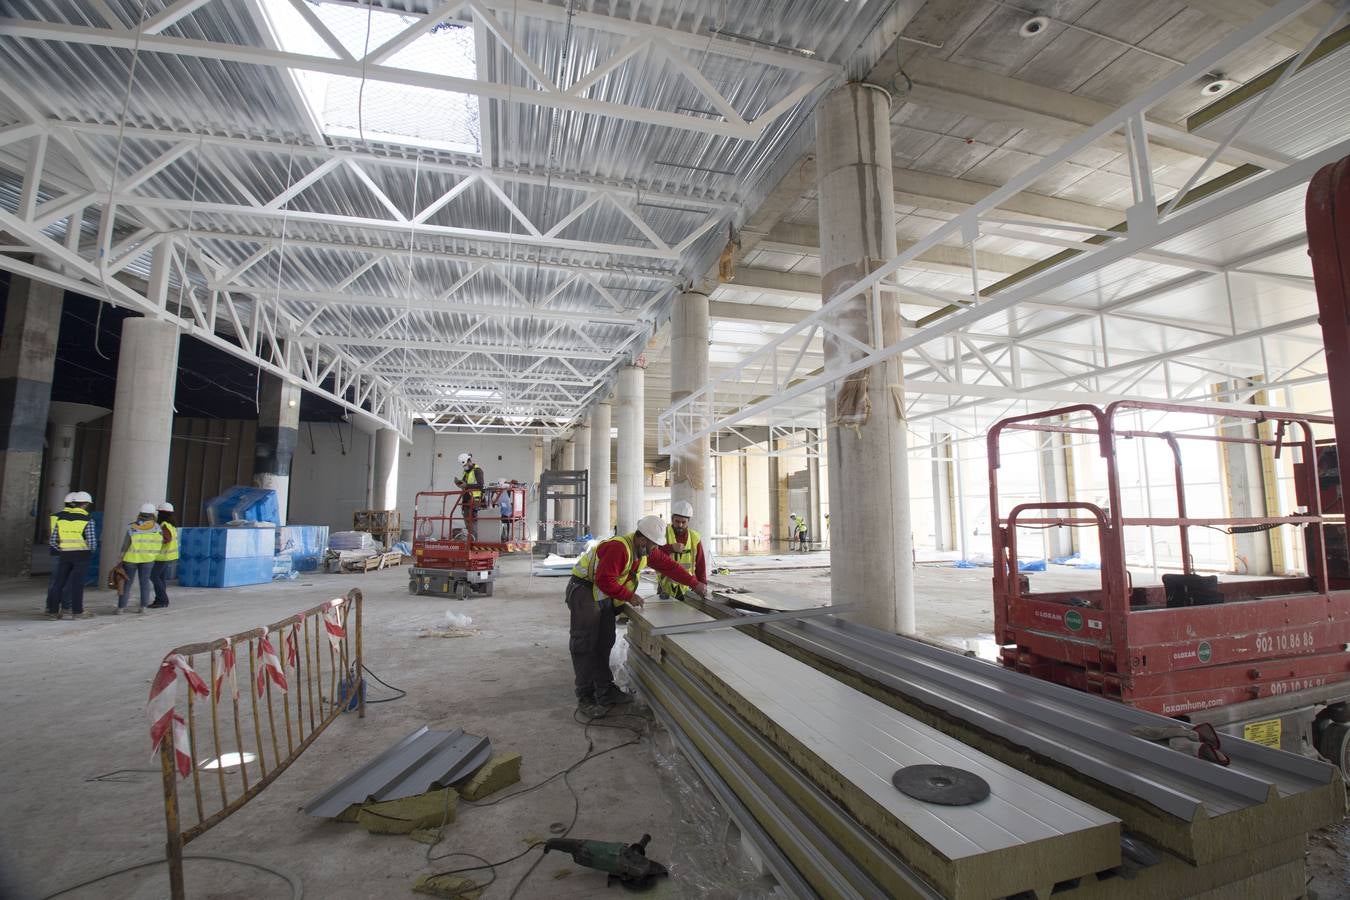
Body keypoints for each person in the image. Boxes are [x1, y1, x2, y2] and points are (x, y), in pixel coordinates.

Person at [567, 515, 708, 713]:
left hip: (601, 593)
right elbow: (604, 580)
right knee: (585, 643)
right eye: (653, 545)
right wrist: (629, 596)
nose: (654, 549)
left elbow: (670, 567)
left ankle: (605, 690)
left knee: (604, 641)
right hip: (584, 590)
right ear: (642, 539)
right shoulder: (619, 548)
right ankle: (585, 696)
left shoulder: (645, 551)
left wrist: (695, 584)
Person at [48, 491, 97, 620]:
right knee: (77, 584)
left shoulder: (61, 519)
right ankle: (77, 612)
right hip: (81, 554)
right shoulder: (88, 519)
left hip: (65, 553)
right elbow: (92, 543)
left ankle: (53, 612)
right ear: (85, 504)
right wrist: (88, 551)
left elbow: (53, 541)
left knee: (59, 583)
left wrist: (63, 548)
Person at [116, 504, 162, 614]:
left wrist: (120, 557)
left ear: (140, 514)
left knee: (126, 583)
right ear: (152, 514)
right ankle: (143, 607)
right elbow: (159, 544)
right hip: (148, 559)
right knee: (144, 583)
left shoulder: (132, 527)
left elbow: (126, 544)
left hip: (131, 558)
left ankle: (121, 608)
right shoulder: (157, 528)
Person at [657, 501, 706, 600]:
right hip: (666, 586)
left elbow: (700, 564)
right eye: (677, 521)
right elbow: (654, 553)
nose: (680, 525)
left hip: (687, 587)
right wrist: (670, 548)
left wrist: (703, 584)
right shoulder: (663, 533)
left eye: (683, 522)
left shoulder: (695, 538)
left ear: (688, 521)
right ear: (672, 519)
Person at [150, 501, 178, 608]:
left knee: (154, 576)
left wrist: (153, 540)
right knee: (160, 578)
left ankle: (162, 599)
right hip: (168, 556)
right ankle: (160, 600)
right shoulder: (171, 525)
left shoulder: (164, 525)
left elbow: (166, 539)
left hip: (162, 556)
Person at [454, 452, 485, 541]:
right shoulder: (466, 472)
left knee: (473, 523)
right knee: (468, 523)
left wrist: (466, 486)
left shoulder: (477, 471)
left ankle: (476, 542)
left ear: (469, 461)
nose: (464, 467)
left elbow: (481, 485)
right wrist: (459, 483)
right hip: (466, 501)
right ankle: (472, 541)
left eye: (465, 464)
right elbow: (465, 484)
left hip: (474, 501)